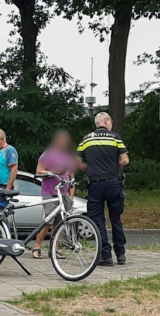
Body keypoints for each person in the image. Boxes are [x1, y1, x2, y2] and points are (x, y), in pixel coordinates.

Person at [78, 111, 128, 266]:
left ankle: (105, 256)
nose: (111, 124)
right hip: (113, 182)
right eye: (111, 121)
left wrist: (91, 169)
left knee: (98, 220)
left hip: (95, 184)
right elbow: (125, 160)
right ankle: (120, 254)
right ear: (106, 121)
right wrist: (113, 167)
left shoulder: (86, 139)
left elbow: (77, 162)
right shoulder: (115, 138)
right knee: (116, 219)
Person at [33, 129, 77, 259]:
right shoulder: (48, 154)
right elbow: (39, 171)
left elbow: (71, 178)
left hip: (63, 194)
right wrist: (54, 172)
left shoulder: (68, 157)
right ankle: (37, 246)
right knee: (47, 221)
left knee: (59, 224)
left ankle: (54, 249)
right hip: (50, 192)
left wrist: (71, 196)